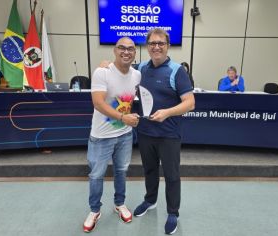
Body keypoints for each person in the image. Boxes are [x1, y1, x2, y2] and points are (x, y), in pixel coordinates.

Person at [133, 28, 195, 235]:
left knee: (171, 175)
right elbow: (120, 70)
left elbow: (190, 103)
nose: (156, 47)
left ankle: (172, 213)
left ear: (167, 46)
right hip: (145, 132)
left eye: (161, 43)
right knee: (149, 170)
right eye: (152, 43)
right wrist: (106, 66)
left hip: (169, 135)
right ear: (147, 46)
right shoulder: (140, 68)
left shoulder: (177, 71)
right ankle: (150, 200)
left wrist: (167, 112)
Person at [83, 37, 141, 233]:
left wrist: (125, 122)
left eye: (131, 49)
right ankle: (94, 210)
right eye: (122, 48)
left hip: (125, 135)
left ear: (135, 52)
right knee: (96, 175)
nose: (126, 52)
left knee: (121, 171)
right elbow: (98, 103)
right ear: (115, 50)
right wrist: (123, 118)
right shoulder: (102, 72)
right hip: (101, 136)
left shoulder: (137, 75)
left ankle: (119, 203)